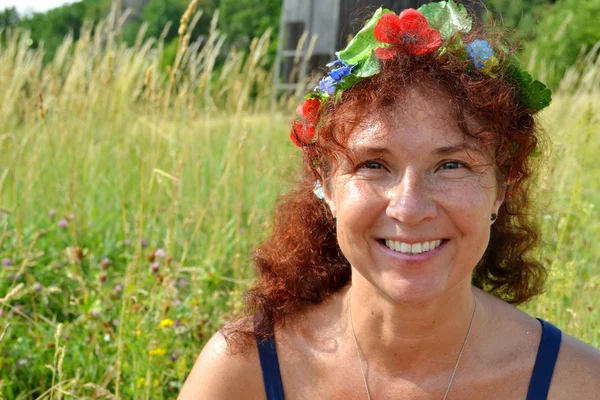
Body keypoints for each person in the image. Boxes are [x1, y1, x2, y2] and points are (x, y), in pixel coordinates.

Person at [179, 2, 600, 399]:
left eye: (451, 165)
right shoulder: (244, 372)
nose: (410, 208)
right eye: (374, 165)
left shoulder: (577, 382)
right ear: (324, 184)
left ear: (502, 186)